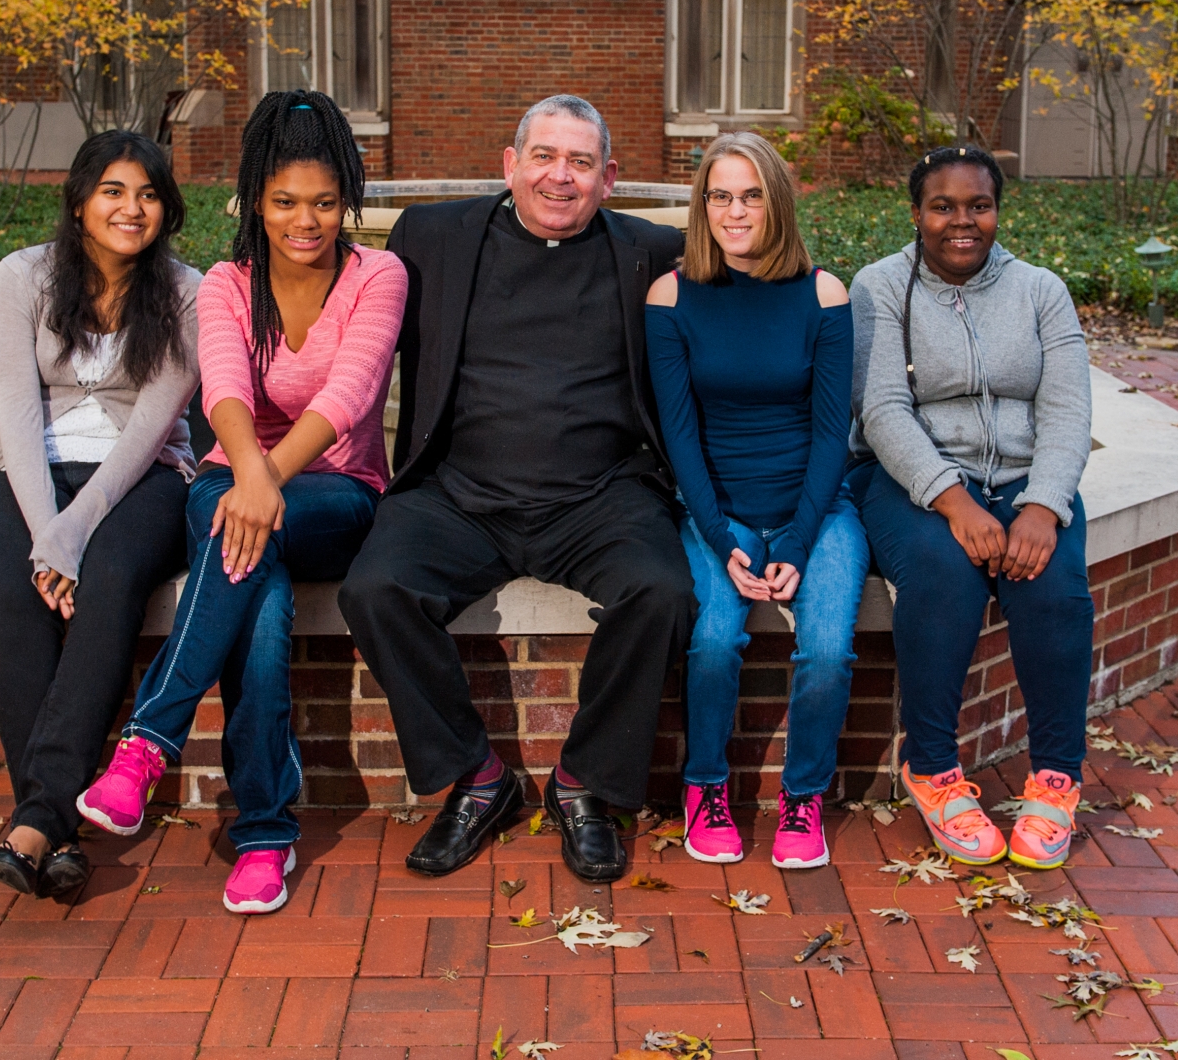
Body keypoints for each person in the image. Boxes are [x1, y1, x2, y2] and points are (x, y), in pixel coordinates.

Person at [337, 94, 694, 884]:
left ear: (610, 178)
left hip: (598, 499)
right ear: (510, 164)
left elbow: (759, 266)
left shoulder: (653, 252)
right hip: (459, 497)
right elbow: (319, 292)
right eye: (543, 156)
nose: (558, 177)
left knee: (664, 591)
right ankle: (476, 778)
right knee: (374, 587)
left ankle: (587, 785)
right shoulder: (430, 238)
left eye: (580, 162)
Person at [75, 91, 404, 915]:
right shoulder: (226, 283)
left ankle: (149, 746)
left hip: (339, 493)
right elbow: (221, 391)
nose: (307, 222)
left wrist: (262, 484)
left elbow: (350, 397)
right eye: (286, 202)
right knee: (255, 589)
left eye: (325, 203)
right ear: (255, 199)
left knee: (235, 534)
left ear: (347, 200)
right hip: (233, 486)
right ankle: (263, 832)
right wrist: (250, 482)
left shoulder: (378, 275)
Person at [0, 129, 201, 899]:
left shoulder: (189, 292)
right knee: (19, 593)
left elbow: (153, 426)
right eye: (114, 191)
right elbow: (16, 416)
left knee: (110, 576)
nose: (133, 208)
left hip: (140, 476)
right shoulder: (20, 277)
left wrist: (73, 531)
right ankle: (55, 825)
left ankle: (37, 818)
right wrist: (44, 530)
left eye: (149, 193)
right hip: (19, 475)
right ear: (80, 199)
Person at [853, 144, 1094, 871]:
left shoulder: (1040, 291)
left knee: (1052, 587)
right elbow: (884, 410)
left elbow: (1067, 409)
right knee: (940, 572)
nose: (963, 221)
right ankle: (931, 770)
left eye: (979, 206)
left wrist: (1044, 507)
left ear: (997, 211)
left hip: (1025, 479)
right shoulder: (880, 287)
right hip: (913, 481)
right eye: (944, 206)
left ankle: (1056, 779)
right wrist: (954, 503)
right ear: (916, 213)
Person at [646, 132, 861, 871]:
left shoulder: (825, 294)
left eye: (751, 195)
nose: (734, 212)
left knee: (828, 652)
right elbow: (680, 439)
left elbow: (835, 433)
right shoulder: (671, 297)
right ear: (702, 205)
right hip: (716, 511)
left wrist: (798, 543)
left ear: (778, 201)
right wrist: (718, 536)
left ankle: (803, 800)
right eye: (719, 196)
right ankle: (704, 788)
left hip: (817, 511)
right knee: (710, 645)